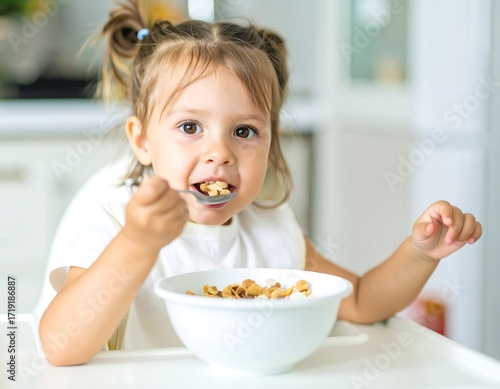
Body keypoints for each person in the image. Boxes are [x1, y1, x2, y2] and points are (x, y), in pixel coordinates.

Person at [39, 0, 482, 366]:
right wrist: (138, 244)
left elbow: (364, 302)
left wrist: (420, 253)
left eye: (244, 131)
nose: (220, 153)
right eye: (190, 127)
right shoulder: (113, 223)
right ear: (142, 141)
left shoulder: (269, 228)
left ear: (270, 145)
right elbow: (60, 347)